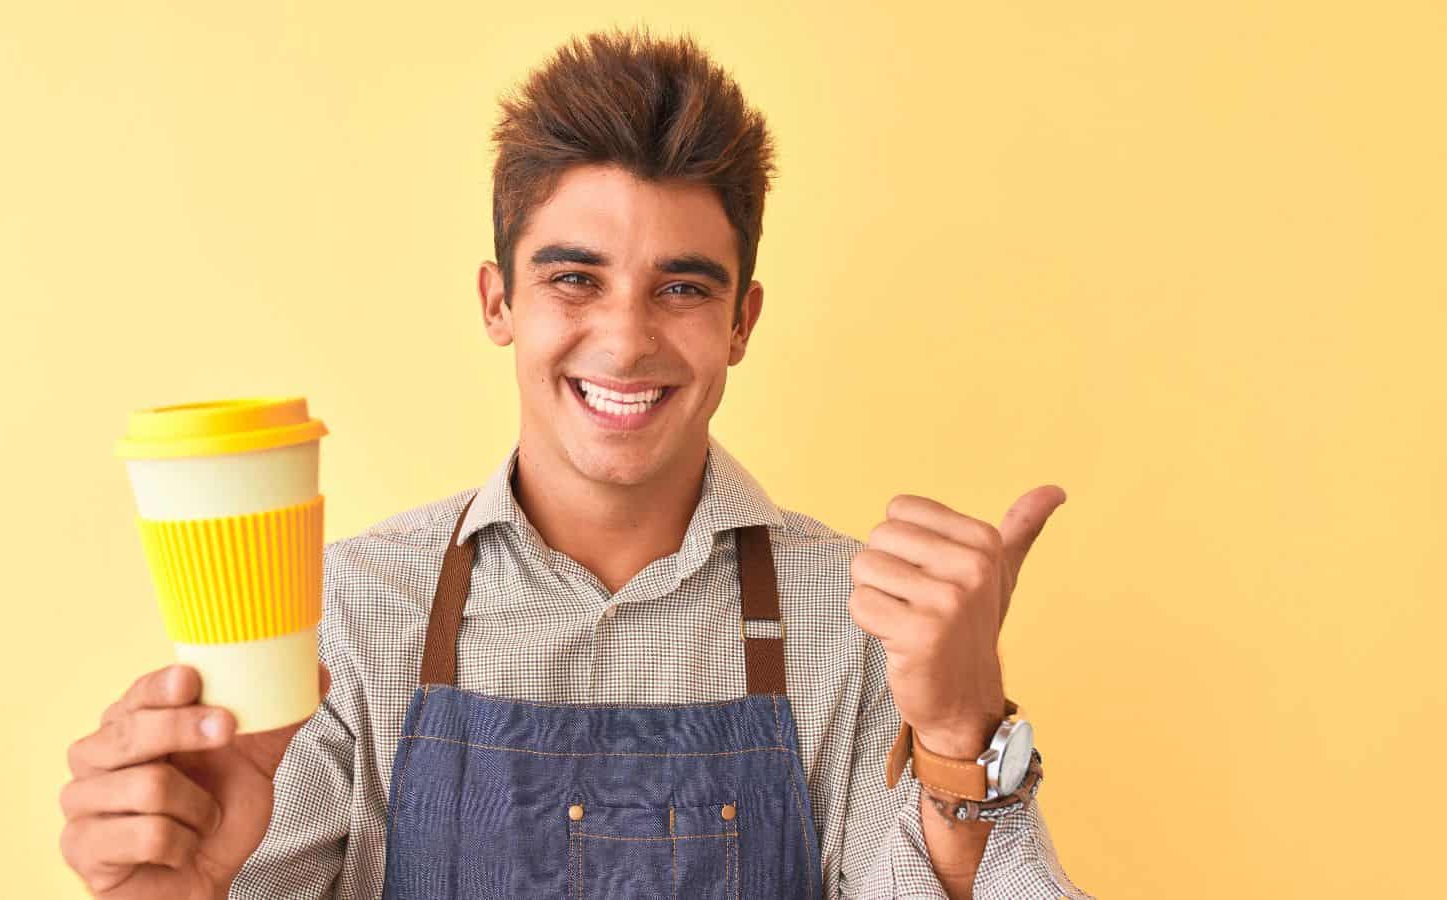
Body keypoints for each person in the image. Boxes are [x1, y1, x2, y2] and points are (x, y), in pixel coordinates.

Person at [60, 25, 1091, 900]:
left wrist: (962, 729)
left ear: (741, 320)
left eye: (682, 288)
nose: (626, 338)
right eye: (574, 280)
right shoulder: (349, 617)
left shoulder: (868, 628)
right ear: (497, 302)